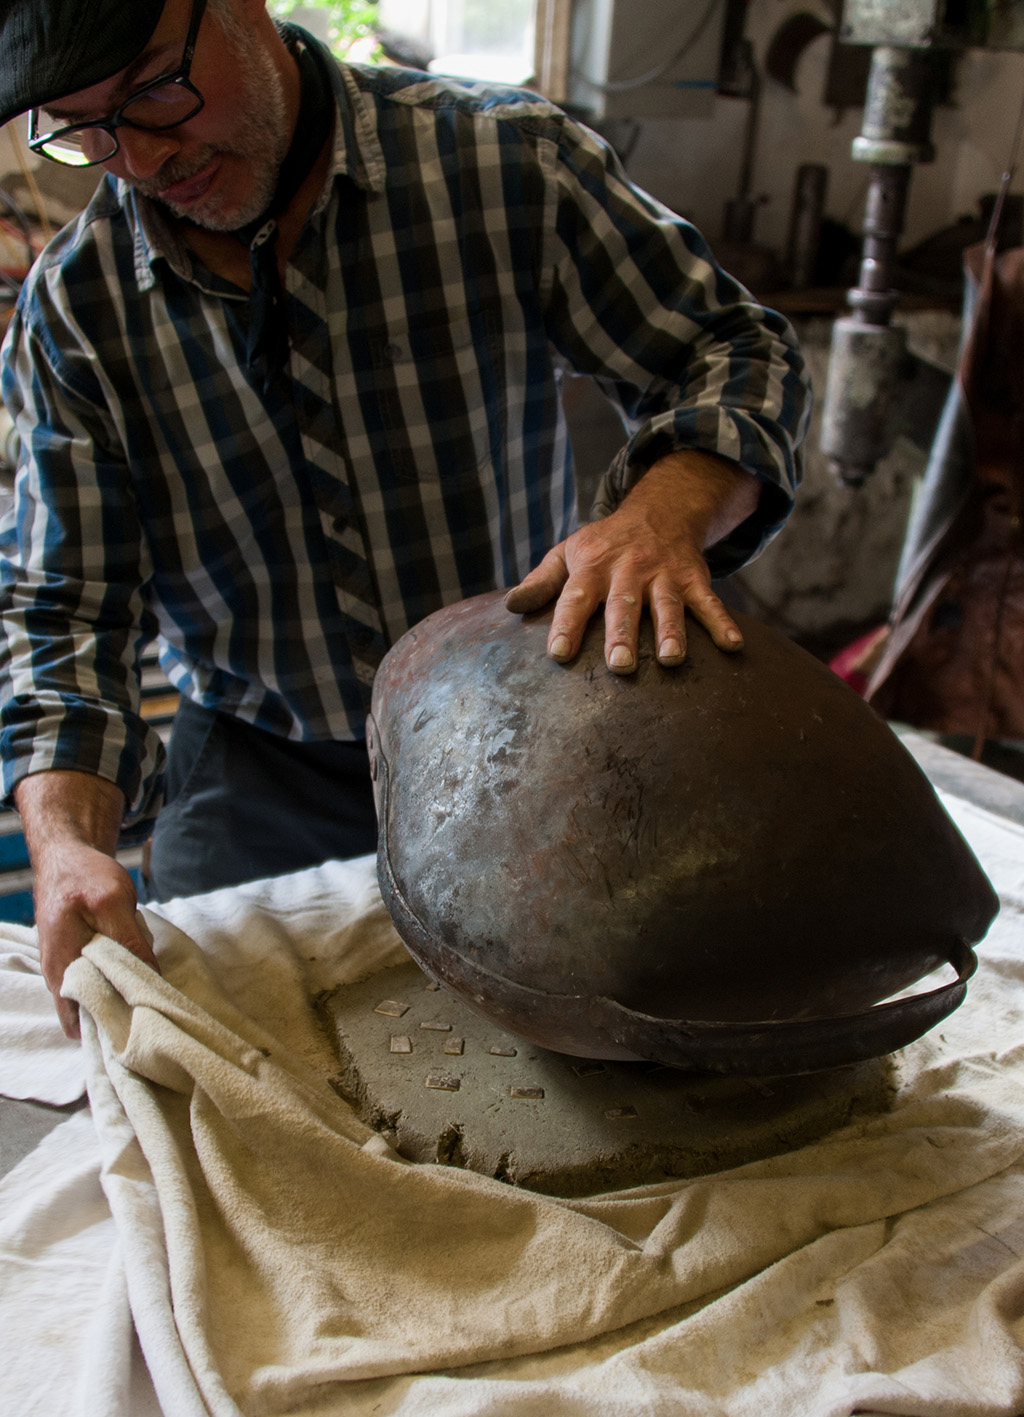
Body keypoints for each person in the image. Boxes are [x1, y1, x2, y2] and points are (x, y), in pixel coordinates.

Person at [0, 0, 811, 1037]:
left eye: (159, 88)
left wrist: (662, 514)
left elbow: (734, 351)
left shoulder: (502, 165)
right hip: (257, 771)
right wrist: (67, 847)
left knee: (594, 1041)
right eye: (88, 132)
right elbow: (64, 611)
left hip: (527, 744)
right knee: (236, 1068)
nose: (145, 157)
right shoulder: (78, 310)